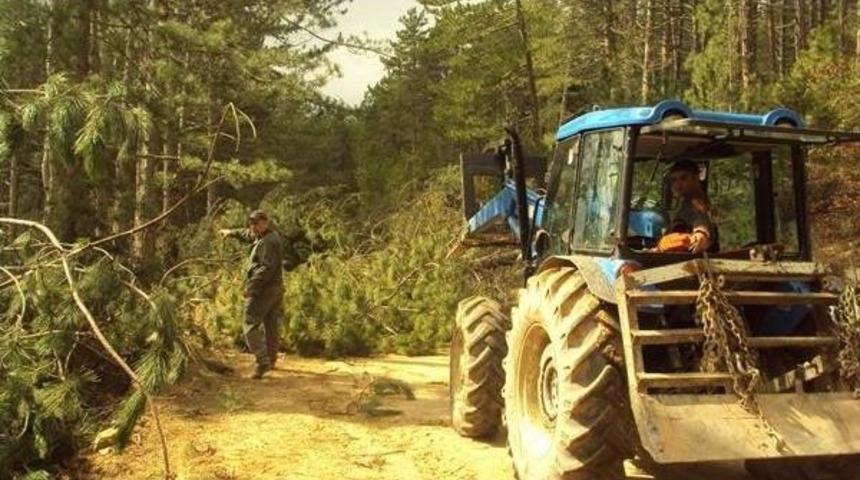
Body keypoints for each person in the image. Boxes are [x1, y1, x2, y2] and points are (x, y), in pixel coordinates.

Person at [219, 210, 284, 379]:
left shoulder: (268, 242)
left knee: (249, 324)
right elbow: (247, 234)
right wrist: (230, 233)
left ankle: (262, 362)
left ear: (265, 223)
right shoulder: (263, 236)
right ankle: (270, 359)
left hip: (264, 290)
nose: (252, 226)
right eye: (251, 223)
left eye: (256, 223)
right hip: (275, 289)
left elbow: (266, 268)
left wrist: (251, 286)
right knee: (271, 324)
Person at [664, 159, 716, 254]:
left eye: (683, 178)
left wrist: (700, 234)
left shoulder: (697, 203)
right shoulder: (685, 204)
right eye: (673, 180)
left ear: (696, 178)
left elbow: (702, 223)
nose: (677, 184)